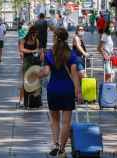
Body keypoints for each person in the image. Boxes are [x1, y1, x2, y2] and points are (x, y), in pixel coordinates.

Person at [38, 28, 81, 158]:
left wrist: (35, 74)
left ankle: (55, 145)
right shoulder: (71, 54)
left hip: (53, 90)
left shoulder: (49, 54)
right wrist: (78, 92)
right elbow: (75, 75)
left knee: (55, 120)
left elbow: (45, 72)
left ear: (55, 38)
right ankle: (62, 149)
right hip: (68, 90)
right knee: (66, 122)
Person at [18, 20, 29, 106]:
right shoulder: (22, 41)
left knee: (27, 81)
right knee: (25, 81)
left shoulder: (22, 40)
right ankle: (22, 99)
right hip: (26, 62)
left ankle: (26, 100)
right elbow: (21, 53)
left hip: (29, 62)